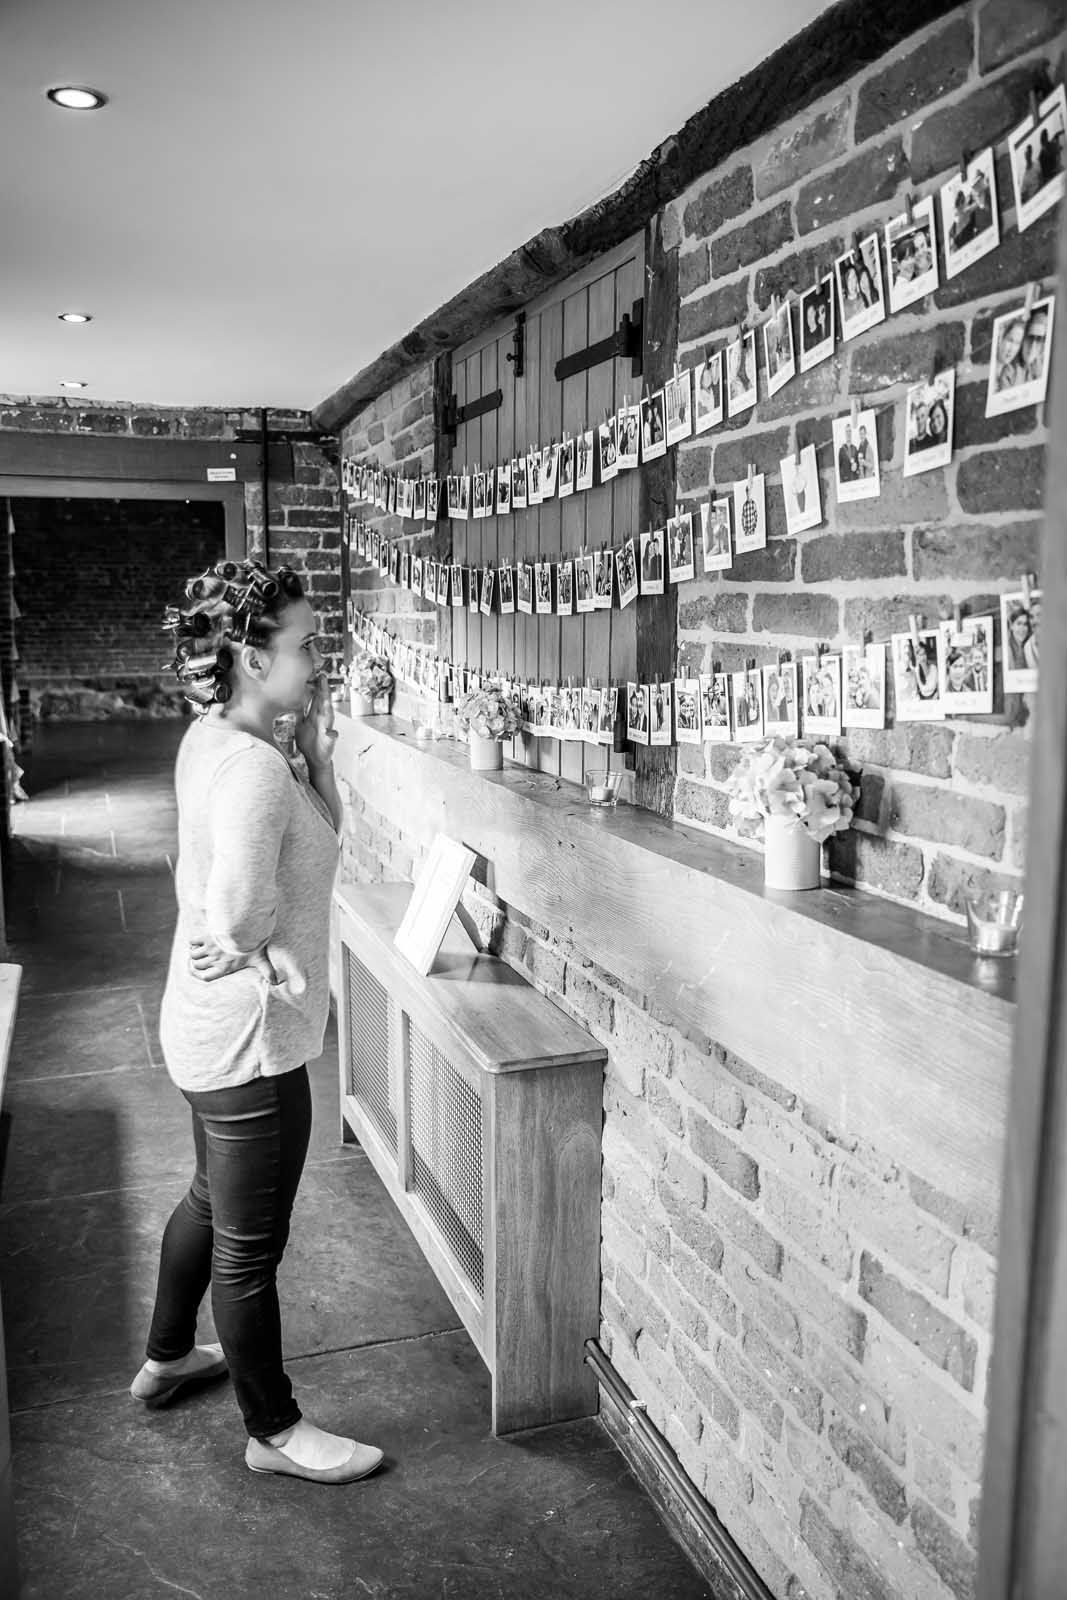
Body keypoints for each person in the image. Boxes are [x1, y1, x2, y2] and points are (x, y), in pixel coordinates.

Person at [134, 560, 383, 1487]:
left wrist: (317, 756)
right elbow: (237, 915)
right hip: (250, 1042)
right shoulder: (255, 773)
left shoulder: (219, 737)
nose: (321, 656)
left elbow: (197, 876)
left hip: (203, 1028)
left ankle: (166, 1358)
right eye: (307, 643)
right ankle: (272, 1431)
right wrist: (259, 952)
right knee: (250, 1250)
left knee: (209, 1197)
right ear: (249, 655)